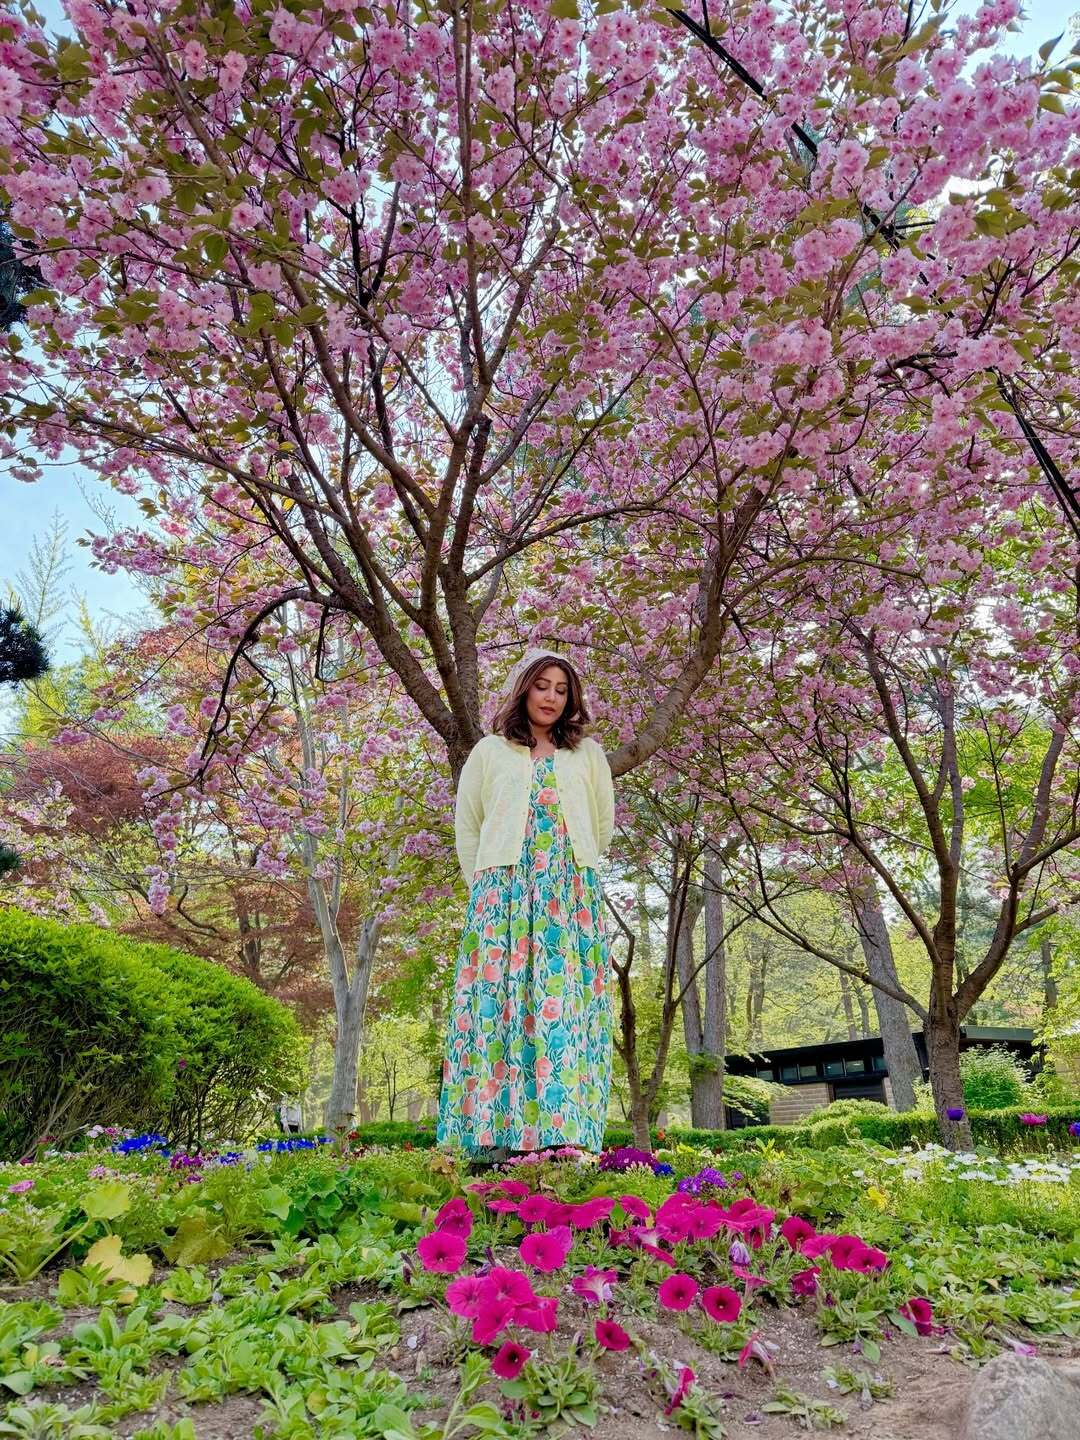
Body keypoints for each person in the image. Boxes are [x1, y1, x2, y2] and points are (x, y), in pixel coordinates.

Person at [438, 647, 616, 1166]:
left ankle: (563, 1140)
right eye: (543, 686)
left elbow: (600, 826)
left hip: (567, 899)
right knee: (503, 1007)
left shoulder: (588, 755)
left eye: (562, 690)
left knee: (562, 1008)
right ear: (523, 689)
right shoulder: (490, 751)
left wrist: (565, 873)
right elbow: (467, 825)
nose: (552, 698)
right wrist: (487, 889)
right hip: (501, 899)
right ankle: (493, 1140)